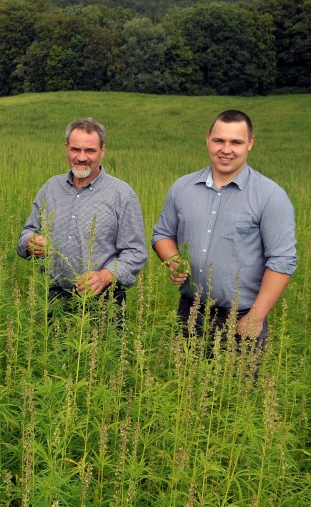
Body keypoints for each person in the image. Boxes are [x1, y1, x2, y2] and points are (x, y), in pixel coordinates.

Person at [152, 109, 296, 348]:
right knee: (184, 382)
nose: (226, 150)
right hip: (190, 312)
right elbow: (162, 234)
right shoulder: (183, 187)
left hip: (241, 318)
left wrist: (256, 316)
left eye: (236, 142)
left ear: (250, 143)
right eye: (219, 140)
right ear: (208, 138)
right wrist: (173, 259)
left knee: (233, 386)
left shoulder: (270, 196)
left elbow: (282, 260)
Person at [17, 118, 147, 307]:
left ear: (103, 151)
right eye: (75, 149)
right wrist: (30, 242)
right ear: (66, 148)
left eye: (90, 150)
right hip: (53, 299)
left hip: (103, 302)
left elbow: (136, 252)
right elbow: (28, 231)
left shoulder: (122, 194)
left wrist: (104, 276)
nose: (82, 157)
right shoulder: (51, 187)